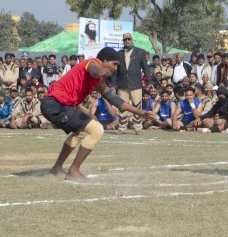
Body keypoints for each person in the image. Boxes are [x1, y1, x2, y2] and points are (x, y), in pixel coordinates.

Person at [40, 47, 150, 180]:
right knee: (97, 129)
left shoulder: (98, 80)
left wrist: (138, 111)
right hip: (55, 104)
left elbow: (114, 99)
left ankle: (56, 169)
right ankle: (73, 171)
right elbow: (94, 69)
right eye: (114, 64)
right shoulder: (91, 63)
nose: (115, 68)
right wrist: (101, 71)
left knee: (78, 133)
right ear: (104, 61)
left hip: (57, 105)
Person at [116, 32, 152, 134]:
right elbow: (115, 71)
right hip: (122, 84)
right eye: (125, 40)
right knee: (122, 107)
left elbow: (145, 68)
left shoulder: (140, 52)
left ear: (132, 40)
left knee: (137, 106)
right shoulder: (118, 53)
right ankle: (122, 128)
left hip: (136, 83)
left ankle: (138, 128)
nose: (127, 41)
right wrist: (114, 84)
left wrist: (149, 81)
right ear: (123, 41)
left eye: (129, 39)